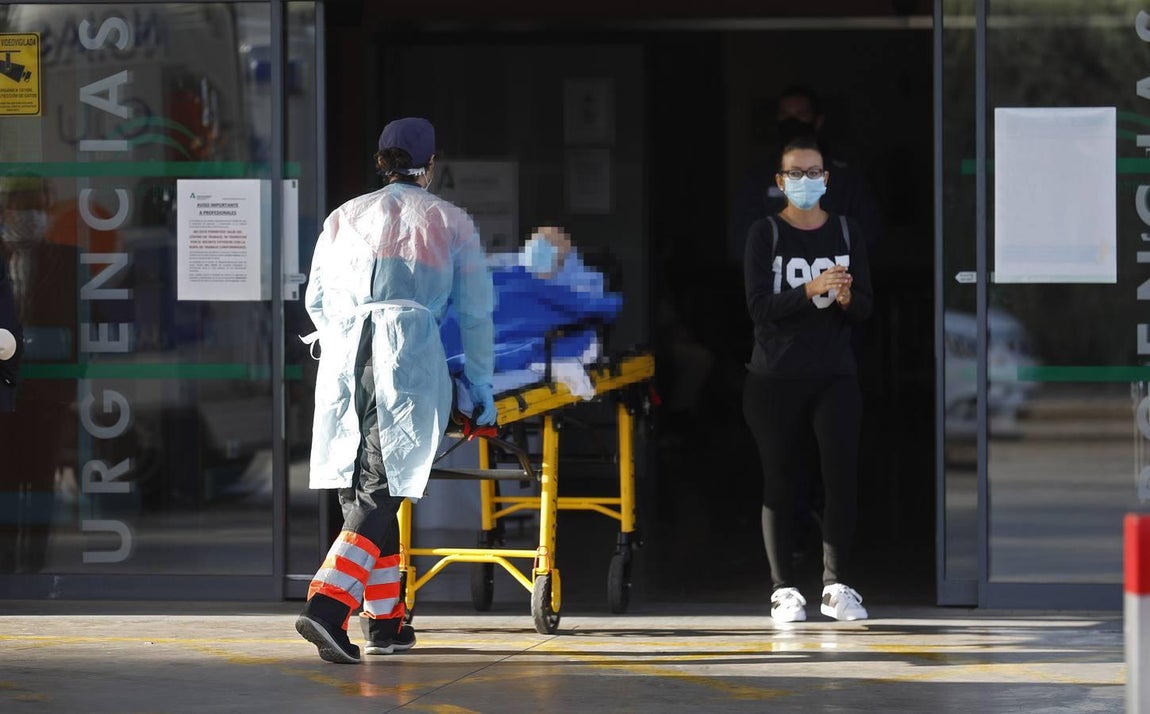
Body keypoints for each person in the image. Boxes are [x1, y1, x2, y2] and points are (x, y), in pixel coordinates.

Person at [295, 117, 496, 664]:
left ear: (381, 161)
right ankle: (327, 608)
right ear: (431, 164)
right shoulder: (448, 221)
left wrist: (347, 333)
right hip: (403, 358)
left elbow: (315, 300)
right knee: (381, 490)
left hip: (344, 354)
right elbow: (476, 313)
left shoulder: (343, 217)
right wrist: (479, 384)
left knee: (360, 486)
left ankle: (384, 623)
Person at [741, 135, 872, 623]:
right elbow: (758, 307)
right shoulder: (765, 234)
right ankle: (784, 589)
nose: (804, 180)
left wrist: (847, 299)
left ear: (826, 178)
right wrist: (810, 288)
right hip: (774, 376)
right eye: (795, 173)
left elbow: (866, 307)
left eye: (813, 172)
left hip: (835, 375)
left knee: (840, 479)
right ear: (781, 181)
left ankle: (836, 586)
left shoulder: (846, 232)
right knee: (781, 481)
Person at [730, 84, 881, 265]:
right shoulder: (759, 175)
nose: (792, 121)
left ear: (818, 120)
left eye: (800, 114)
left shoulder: (846, 176)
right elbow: (742, 240)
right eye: (785, 115)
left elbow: (867, 236)